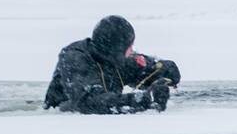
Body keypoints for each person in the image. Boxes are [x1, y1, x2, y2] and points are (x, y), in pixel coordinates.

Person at [44, 15, 181, 114]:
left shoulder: (116, 59)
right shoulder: (75, 59)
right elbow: (87, 103)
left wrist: (164, 73)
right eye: (129, 46)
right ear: (118, 48)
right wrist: (143, 100)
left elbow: (153, 70)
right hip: (66, 125)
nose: (132, 50)